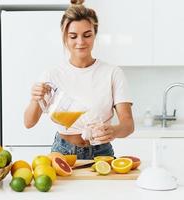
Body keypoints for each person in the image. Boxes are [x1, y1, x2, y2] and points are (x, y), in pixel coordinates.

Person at [24, 0, 134, 159]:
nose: (80, 42)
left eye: (87, 35)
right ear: (65, 38)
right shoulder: (52, 75)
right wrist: (35, 99)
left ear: (95, 34)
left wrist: (114, 131)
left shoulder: (113, 73)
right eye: (73, 36)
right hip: (63, 152)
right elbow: (29, 123)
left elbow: (128, 124)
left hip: (102, 152)